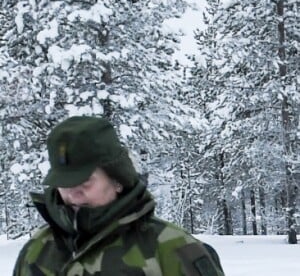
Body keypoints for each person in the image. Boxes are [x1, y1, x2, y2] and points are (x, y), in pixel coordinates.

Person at [13, 116, 225, 276]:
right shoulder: (38, 249)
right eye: (64, 183)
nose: (73, 194)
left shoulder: (173, 247)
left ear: (117, 180)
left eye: (85, 182)